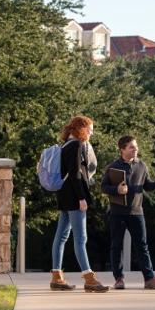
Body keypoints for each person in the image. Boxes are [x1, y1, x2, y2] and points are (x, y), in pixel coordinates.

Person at [101, 135, 155, 290]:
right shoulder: (112, 167)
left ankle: (149, 280)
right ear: (122, 149)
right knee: (116, 246)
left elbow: (147, 186)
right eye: (132, 147)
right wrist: (117, 190)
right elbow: (103, 187)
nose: (136, 149)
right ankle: (119, 279)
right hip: (117, 213)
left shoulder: (141, 165)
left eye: (136, 146)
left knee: (142, 246)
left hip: (136, 212)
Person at [50, 115, 109, 293]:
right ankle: (89, 278)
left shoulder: (65, 144)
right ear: (81, 128)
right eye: (90, 129)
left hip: (64, 196)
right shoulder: (76, 145)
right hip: (75, 198)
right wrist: (82, 198)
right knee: (81, 239)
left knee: (60, 237)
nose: (91, 133)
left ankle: (56, 277)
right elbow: (76, 174)